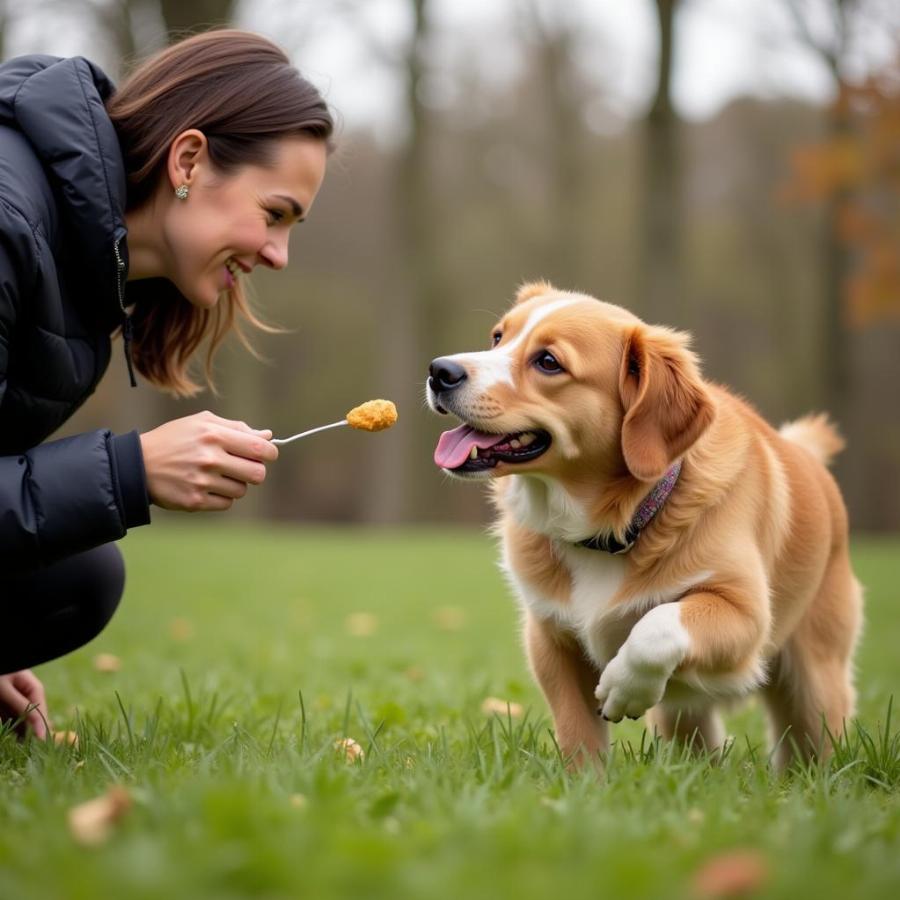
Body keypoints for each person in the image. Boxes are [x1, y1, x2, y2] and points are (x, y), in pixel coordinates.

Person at [0, 29, 334, 738]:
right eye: (274, 214)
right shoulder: (10, 223)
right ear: (188, 159)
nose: (278, 255)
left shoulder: (87, 264)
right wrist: (131, 470)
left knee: (76, 582)